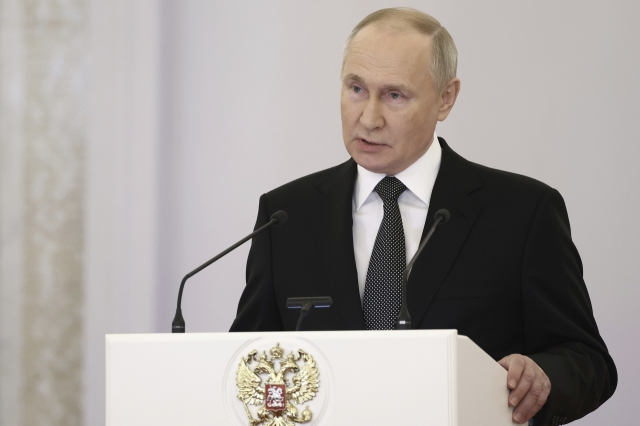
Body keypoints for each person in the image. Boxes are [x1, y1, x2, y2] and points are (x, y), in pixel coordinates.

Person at [230, 7, 616, 425]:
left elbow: (587, 361)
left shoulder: (523, 212)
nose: (369, 117)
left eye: (394, 95)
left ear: (446, 98)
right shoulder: (286, 215)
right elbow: (246, 362)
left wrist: (543, 378)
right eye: (356, 88)